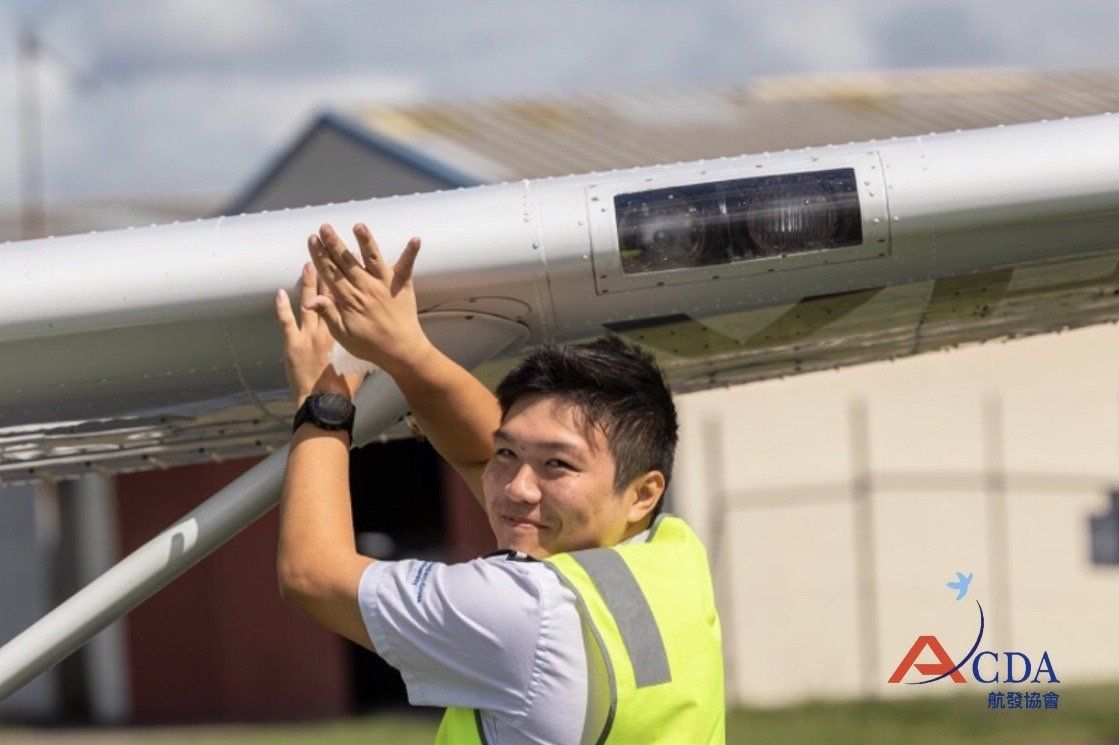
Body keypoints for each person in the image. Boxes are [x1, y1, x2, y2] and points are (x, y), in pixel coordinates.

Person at [274, 222, 725, 744]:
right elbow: (477, 451)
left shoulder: (525, 613)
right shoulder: (673, 558)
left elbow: (311, 576)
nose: (517, 488)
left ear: (644, 492)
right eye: (509, 453)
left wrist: (322, 403)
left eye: (557, 465)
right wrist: (405, 352)